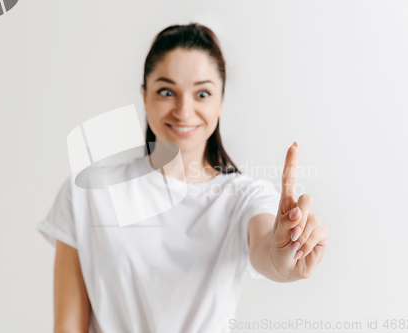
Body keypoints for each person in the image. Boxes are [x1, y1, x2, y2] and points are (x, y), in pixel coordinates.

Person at [37, 22, 329, 333]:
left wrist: (284, 253)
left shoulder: (244, 197)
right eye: (166, 91)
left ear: (220, 101)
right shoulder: (87, 194)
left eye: (202, 93)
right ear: (145, 96)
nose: (184, 111)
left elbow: (266, 251)